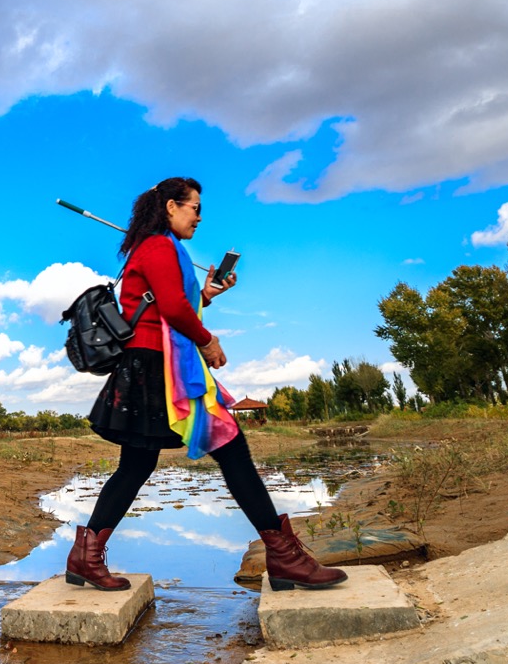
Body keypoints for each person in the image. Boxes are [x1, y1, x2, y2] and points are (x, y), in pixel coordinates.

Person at [70, 178, 346, 592]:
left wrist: (209, 294)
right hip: (160, 370)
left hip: (149, 366)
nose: (199, 217)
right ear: (170, 207)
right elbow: (174, 307)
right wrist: (208, 340)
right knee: (232, 450)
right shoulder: (160, 246)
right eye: (194, 208)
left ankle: (84, 557)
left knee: (137, 465)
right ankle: (285, 559)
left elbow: (173, 302)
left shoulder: (152, 247)